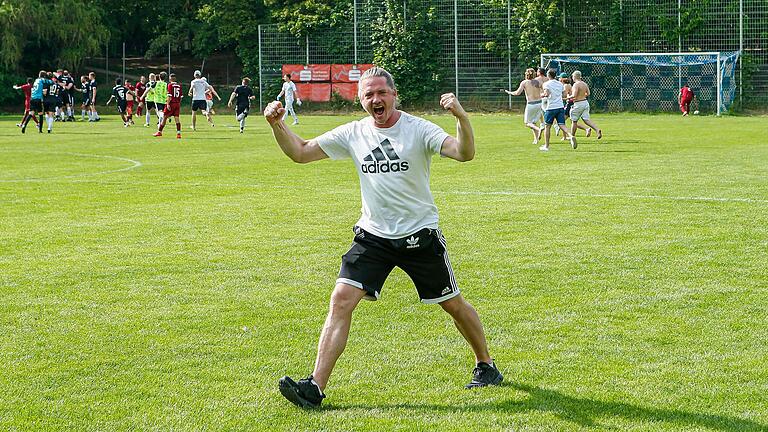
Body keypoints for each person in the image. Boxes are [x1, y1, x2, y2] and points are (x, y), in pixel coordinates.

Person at [266, 66, 503, 409]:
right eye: (368, 95)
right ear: (361, 100)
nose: (376, 99)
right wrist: (278, 126)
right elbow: (301, 152)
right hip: (373, 237)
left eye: (381, 92)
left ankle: (486, 364)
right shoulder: (354, 133)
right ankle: (314, 387)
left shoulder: (418, 129)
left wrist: (461, 118)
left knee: (452, 304)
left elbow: (464, 153)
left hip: (418, 237)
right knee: (341, 299)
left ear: (394, 95)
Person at [501, 68, 544, 145]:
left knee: (527, 123)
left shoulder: (524, 82)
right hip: (539, 103)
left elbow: (517, 93)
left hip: (531, 104)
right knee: (533, 122)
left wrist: (509, 92)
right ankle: (536, 140)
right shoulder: (538, 81)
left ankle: (539, 129)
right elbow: (544, 90)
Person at [541, 68, 576, 151]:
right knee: (562, 124)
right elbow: (564, 94)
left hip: (551, 107)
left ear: (548, 75)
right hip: (560, 106)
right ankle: (570, 136)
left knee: (547, 126)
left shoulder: (546, 84)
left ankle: (546, 146)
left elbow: (547, 93)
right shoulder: (560, 84)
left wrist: (542, 95)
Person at [568, 70, 602, 139]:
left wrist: (567, 97)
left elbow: (574, 95)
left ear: (574, 77)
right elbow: (588, 93)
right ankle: (597, 129)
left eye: (572, 77)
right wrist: (582, 95)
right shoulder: (584, 84)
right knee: (586, 120)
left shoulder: (576, 84)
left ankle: (572, 137)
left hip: (578, 104)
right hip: (585, 103)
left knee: (574, 121)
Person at [559, 72, 588, 139]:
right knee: (572, 121)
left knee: (562, 120)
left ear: (563, 79)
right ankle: (586, 129)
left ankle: (565, 136)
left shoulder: (566, 85)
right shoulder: (567, 85)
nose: (559, 79)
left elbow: (565, 95)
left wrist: (561, 98)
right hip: (571, 103)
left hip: (569, 103)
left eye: (560, 78)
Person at [153, 73, 183, 138]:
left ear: (170, 78)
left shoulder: (170, 85)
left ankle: (159, 132)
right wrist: (178, 103)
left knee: (164, 117)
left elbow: (169, 96)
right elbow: (181, 97)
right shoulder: (179, 85)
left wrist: (168, 104)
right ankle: (178, 134)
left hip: (171, 103)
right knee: (177, 119)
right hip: (177, 104)